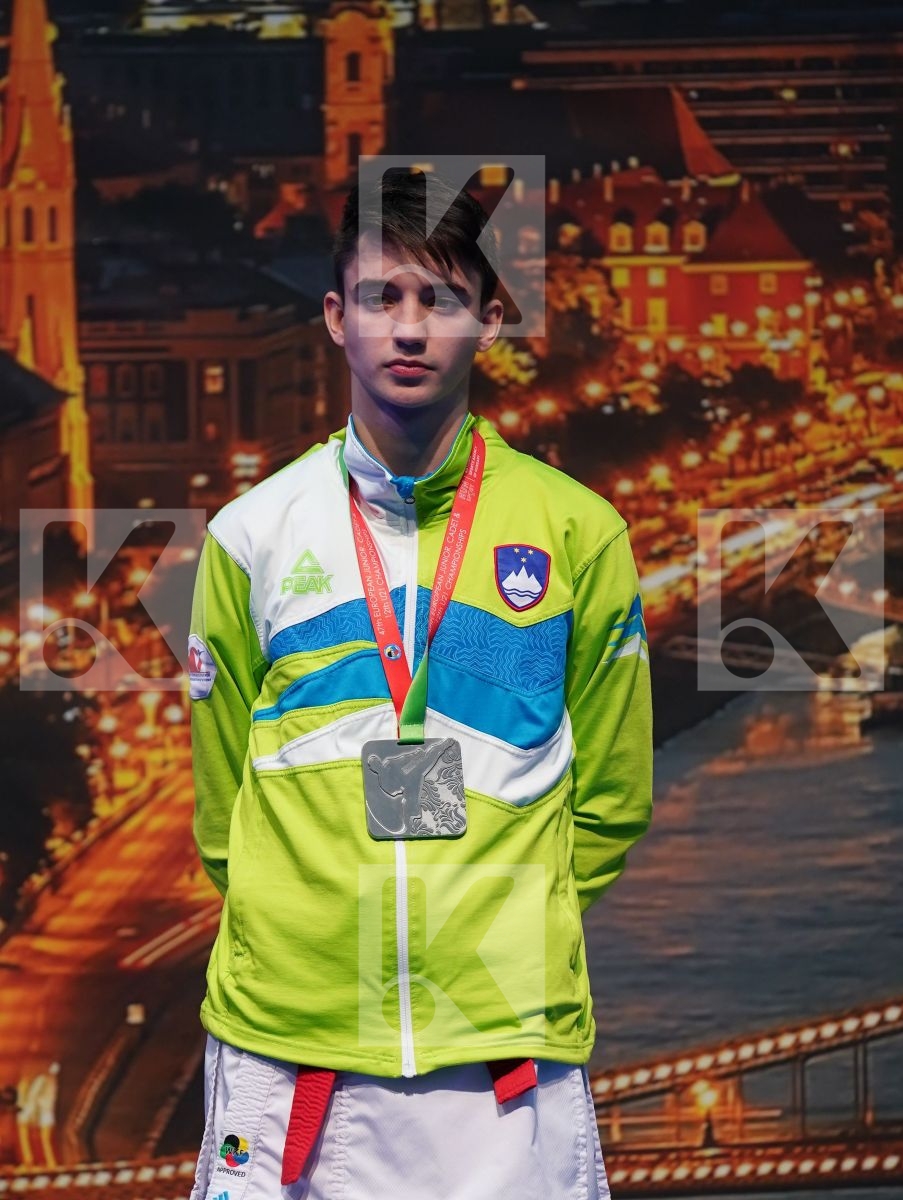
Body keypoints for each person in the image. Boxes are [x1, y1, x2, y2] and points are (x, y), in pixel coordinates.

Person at [186, 169, 653, 1200]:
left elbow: (614, 802)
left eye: (438, 300)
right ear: (334, 319)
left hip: (501, 1056)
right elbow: (224, 815)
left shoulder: (579, 533)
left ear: (487, 321)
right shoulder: (247, 537)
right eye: (379, 297)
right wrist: (303, 934)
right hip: (288, 1051)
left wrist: (500, 932)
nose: (407, 328)